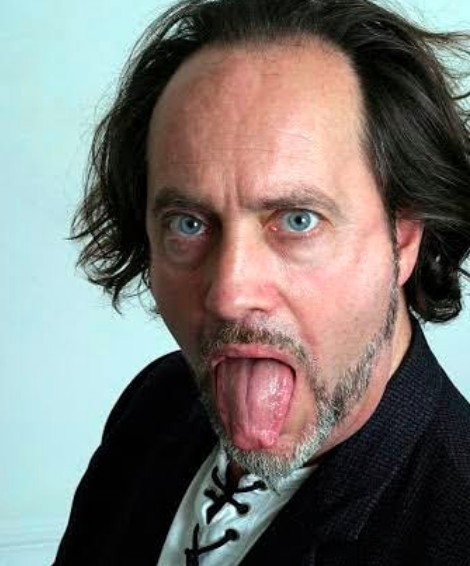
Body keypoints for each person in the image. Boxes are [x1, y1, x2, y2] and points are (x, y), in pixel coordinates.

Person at [53, 0, 470, 564]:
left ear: (403, 237)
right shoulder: (156, 402)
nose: (229, 294)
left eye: (298, 221)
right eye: (188, 224)